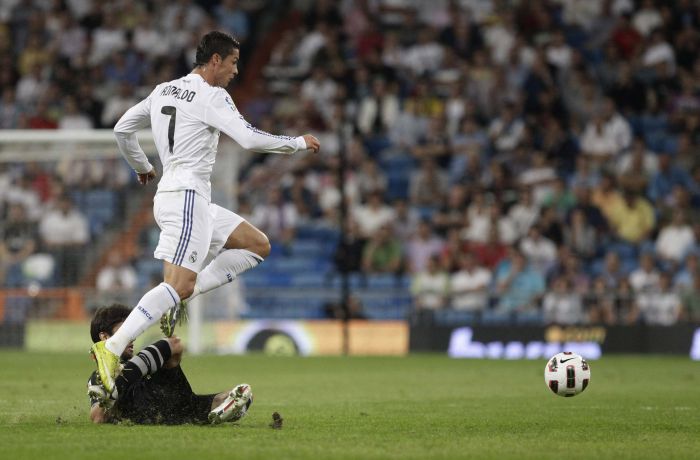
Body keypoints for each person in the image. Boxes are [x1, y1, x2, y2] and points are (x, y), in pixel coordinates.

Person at [92, 31, 320, 394]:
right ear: (215, 60)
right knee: (177, 285)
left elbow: (122, 129)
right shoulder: (212, 95)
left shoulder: (163, 90)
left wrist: (142, 165)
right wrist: (296, 142)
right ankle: (112, 349)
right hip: (185, 198)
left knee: (256, 245)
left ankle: (178, 298)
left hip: (188, 198)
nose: (235, 70)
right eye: (232, 62)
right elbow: (247, 138)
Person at [87, 304, 252, 425]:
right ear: (105, 337)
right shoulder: (98, 377)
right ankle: (219, 409)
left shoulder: (144, 363)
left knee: (242, 393)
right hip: (146, 409)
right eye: (125, 332)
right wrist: (109, 398)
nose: (132, 337)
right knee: (172, 345)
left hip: (174, 408)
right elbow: (97, 417)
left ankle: (223, 407)